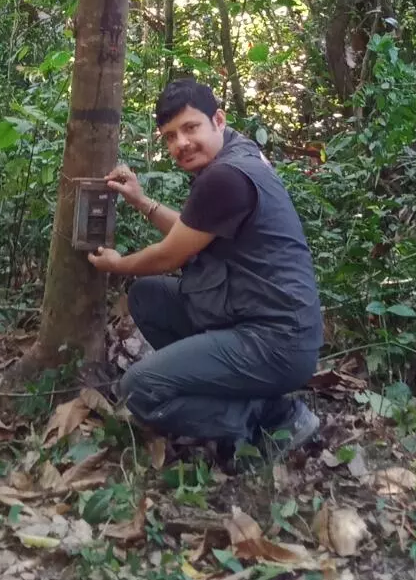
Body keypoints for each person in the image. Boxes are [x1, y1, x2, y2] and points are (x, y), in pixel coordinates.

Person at [87, 79, 322, 459]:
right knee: (148, 297)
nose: (180, 143)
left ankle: (270, 418)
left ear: (218, 119)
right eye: (169, 136)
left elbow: (170, 256)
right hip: (256, 320)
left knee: (139, 389)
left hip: (275, 341)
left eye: (190, 128)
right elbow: (190, 234)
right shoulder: (239, 152)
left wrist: (118, 265)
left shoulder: (226, 177)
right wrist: (140, 200)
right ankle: (231, 389)